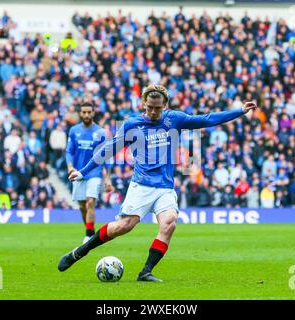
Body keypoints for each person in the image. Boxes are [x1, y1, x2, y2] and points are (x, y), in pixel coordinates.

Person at [58, 85, 258, 282]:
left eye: (158, 108)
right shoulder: (132, 125)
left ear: (165, 105)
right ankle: (79, 252)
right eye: (150, 107)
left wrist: (239, 111)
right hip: (142, 185)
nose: (153, 112)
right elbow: (108, 149)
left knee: (169, 222)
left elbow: (206, 119)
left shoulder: (174, 119)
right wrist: (83, 171)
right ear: (144, 103)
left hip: (164, 187)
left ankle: (146, 271)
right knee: (124, 226)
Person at [65, 101, 113, 244]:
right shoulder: (74, 131)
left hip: (94, 173)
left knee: (90, 201)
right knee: (82, 206)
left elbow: (106, 155)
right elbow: (69, 151)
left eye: (89, 112)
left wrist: (108, 177)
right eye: (84, 112)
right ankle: (90, 230)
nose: (86, 114)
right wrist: (69, 166)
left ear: (93, 113)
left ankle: (88, 235)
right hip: (78, 173)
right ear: (80, 113)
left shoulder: (101, 132)